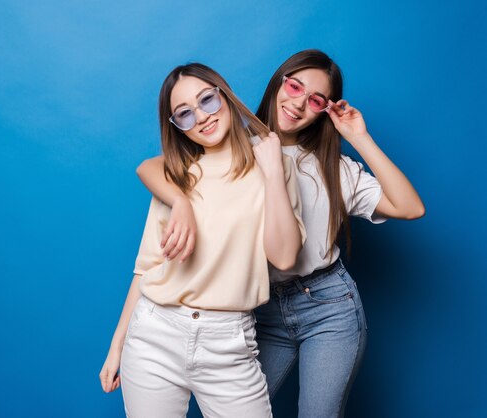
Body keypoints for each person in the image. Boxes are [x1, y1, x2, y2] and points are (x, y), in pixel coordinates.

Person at [134, 50, 425, 418]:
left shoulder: (333, 167)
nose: (299, 103)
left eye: (315, 99)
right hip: (261, 310)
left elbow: (410, 207)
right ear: (278, 84)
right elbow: (154, 166)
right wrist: (180, 202)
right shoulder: (229, 141)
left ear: (324, 109)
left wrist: (359, 136)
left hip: (328, 306)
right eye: (294, 86)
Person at [99, 62, 306, 418]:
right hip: (154, 335)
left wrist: (273, 172)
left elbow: (285, 257)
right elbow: (147, 269)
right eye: (185, 113)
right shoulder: (175, 176)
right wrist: (116, 346)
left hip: (229, 342)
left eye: (207, 100)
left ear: (223, 94)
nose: (202, 117)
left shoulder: (274, 164)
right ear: (176, 126)